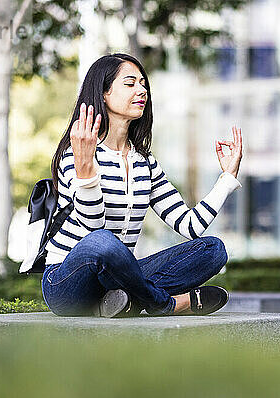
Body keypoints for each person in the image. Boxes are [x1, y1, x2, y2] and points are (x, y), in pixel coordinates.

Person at [41, 53, 243, 318]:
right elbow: (93, 229)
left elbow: (190, 225)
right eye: (130, 84)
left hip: (117, 281)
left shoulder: (144, 163)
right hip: (66, 283)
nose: (141, 90)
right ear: (103, 93)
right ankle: (165, 303)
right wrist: (86, 170)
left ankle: (123, 302)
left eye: (143, 84)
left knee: (213, 250)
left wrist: (226, 178)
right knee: (103, 241)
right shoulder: (76, 153)